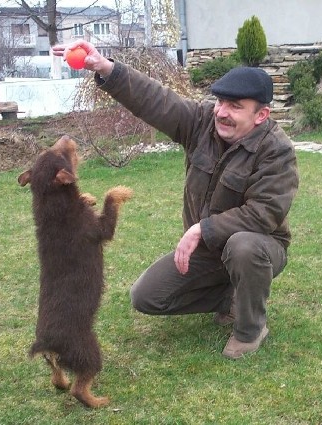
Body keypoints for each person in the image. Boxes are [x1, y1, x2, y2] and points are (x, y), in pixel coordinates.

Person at [52, 41, 299, 359]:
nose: (221, 113)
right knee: (147, 296)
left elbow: (265, 212)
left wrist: (200, 229)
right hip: (210, 250)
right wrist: (106, 69)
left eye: (235, 106)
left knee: (243, 246)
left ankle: (250, 329)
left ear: (261, 114)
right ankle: (230, 299)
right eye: (220, 102)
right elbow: (156, 100)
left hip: (261, 249)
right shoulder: (201, 123)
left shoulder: (277, 151)